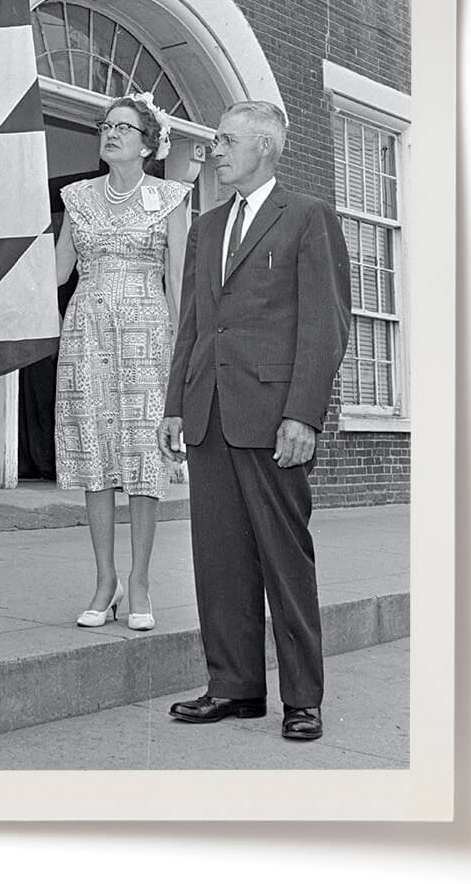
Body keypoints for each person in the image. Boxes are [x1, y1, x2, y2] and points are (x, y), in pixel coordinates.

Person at [158, 100, 351, 740]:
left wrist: (304, 415)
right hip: (209, 415)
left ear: (265, 147)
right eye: (216, 139)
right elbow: (193, 322)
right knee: (218, 562)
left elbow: (324, 325)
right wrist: (174, 405)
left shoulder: (307, 217)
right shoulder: (208, 225)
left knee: (284, 563)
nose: (216, 148)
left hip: (273, 420)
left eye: (228, 139)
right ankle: (234, 688)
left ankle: (303, 699)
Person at [54, 94, 190, 632]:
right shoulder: (79, 198)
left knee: (142, 457)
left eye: (124, 128)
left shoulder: (171, 198)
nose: (111, 134)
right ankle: (104, 579)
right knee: (96, 455)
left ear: (148, 143)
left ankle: (140, 582)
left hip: (147, 336)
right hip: (87, 332)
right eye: (106, 126)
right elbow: (59, 270)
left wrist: (185, 354)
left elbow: (178, 281)